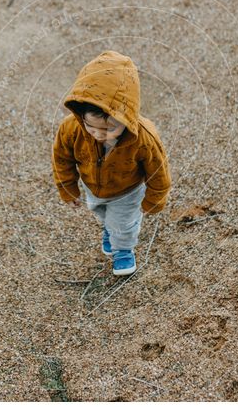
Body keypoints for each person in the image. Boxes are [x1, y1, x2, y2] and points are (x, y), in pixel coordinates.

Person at [52, 50, 171, 275]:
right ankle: (110, 229)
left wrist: (154, 201)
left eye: (110, 129)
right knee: (102, 213)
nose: (99, 134)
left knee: (123, 224)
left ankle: (123, 251)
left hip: (128, 190)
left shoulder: (143, 138)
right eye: (91, 127)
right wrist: (68, 189)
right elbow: (61, 159)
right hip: (93, 187)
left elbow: (158, 171)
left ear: (127, 117)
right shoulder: (71, 129)